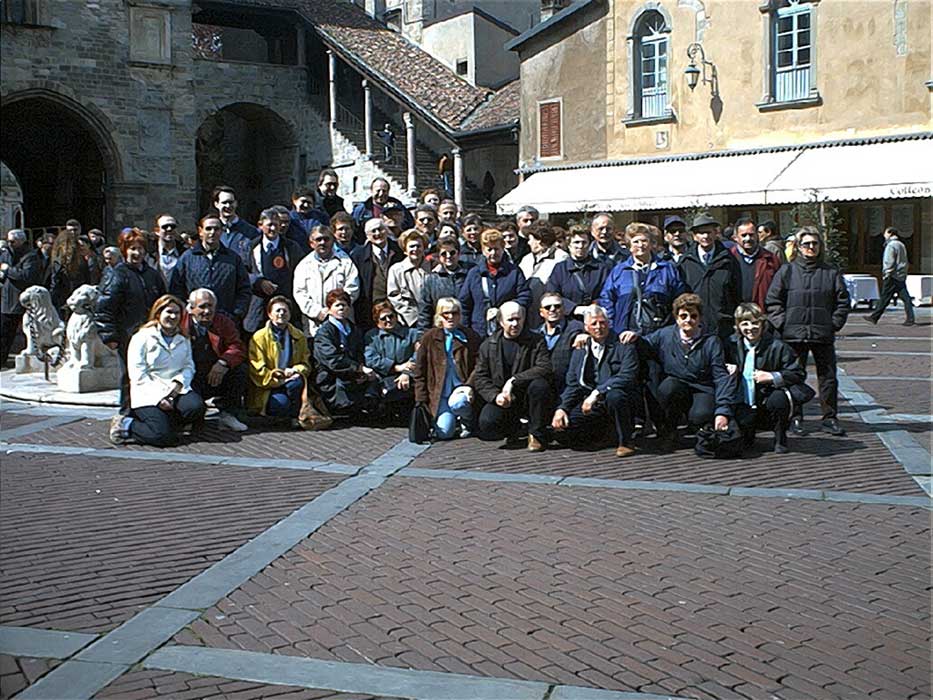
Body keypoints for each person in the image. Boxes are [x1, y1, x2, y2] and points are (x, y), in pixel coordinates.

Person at [766, 226, 850, 437]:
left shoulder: (830, 273)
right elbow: (773, 300)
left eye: (815, 243)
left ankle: (829, 418)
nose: (811, 247)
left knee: (828, 377)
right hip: (793, 333)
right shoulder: (787, 271)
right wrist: (783, 323)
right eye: (806, 244)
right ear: (799, 247)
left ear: (820, 246)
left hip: (822, 333)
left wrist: (834, 323)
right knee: (794, 377)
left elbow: (843, 301)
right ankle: (796, 417)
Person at [637, 293, 736, 450]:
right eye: (683, 316)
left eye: (693, 316)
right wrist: (632, 337)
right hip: (677, 385)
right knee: (667, 389)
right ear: (676, 318)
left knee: (700, 415)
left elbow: (721, 377)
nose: (688, 320)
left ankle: (699, 426)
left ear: (700, 318)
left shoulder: (712, 341)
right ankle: (669, 431)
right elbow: (644, 343)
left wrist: (722, 411)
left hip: (703, 387)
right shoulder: (665, 335)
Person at [109, 294, 205, 446]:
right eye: (169, 312)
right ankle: (127, 424)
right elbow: (138, 374)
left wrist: (174, 390)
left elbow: (188, 366)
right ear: (158, 313)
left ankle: (166, 422)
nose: (173, 316)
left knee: (196, 407)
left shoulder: (183, 338)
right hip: (148, 392)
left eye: (177, 313)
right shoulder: (142, 337)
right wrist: (161, 397)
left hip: (175, 389)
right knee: (162, 437)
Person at [551, 304, 640, 457]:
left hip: (616, 398)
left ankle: (625, 442)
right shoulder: (581, 349)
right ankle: (605, 434)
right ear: (586, 327)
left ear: (608, 323)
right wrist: (562, 408)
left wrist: (598, 392)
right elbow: (573, 384)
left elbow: (627, 376)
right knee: (564, 431)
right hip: (591, 403)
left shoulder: (623, 344)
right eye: (594, 323)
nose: (599, 327)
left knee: (615, 396)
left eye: (602, 322)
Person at [96, 228, 167, 414]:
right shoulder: (117, 274)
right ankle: (126, 413)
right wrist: (109, 335)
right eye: (132, 248)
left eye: (140, 249)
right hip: (127, 334)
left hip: (151, 333)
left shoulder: (152, 275)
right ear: (124, 250)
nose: (137, 253)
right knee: (129, 375)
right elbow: (104, 307)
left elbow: (162, 301)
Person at [472, 301, 555, 451]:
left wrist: (514, 380)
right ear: (501, 321)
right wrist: (495, 396)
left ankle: (536, 434)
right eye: (510, 320)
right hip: (504, 399)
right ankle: (514, 430)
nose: (515, 324)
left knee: (540, 385)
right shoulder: (489, 345)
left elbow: (545, 367)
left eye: (518, 319)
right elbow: (480, 377)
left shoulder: (536, 340)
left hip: (528, 396)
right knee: (487, 423)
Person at [726, 303, 807, 454]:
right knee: (743, 442)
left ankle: (780, 437)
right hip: (741, 398)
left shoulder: (778, 346)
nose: (750, 328)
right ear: (738, 326)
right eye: (745, 323)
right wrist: (728, 368)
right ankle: (747, 431)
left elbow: (798, 372)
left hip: (767, 396)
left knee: (779, 399)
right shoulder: (730, 344)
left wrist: (773, 376)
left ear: (762, 324)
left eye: (755, 323)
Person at [599, 223, 686, 336]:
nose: (640, 245)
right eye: (636, 241)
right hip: (625, 334)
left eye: (644, 241)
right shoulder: (619, 271)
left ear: (651, 244)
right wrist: (613, 326)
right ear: (629, 246)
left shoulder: (666, 269)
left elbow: (680, 299)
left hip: (660, 335)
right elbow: (607, 299)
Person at [413, 297, 482, 440]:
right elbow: (419, 370)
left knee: (457, 403)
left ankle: (467, 421)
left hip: (461, 388)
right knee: (444, 433)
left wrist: (469, 385)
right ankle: (451, 419)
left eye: (455, 313)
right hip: (440, 392)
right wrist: (421, 399)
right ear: (439, 315)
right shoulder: (429, 338)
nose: (450, 317)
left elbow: (479, 365)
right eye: (446, 313)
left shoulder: (470, 336)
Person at [183, 288, 248, 432]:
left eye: (210, 306)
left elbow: (237, 346)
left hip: (215, 374)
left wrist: (223, 362)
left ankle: (228, 415)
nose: (207, 311)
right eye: (202, 306)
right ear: (191, 308)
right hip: (189, 377)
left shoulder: (223, 321)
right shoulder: (181, 323)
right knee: (194, 410)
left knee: (240, 370)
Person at [169, 214, 251, 327]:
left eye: (216, 229)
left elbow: (244, 289)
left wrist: (236, 314)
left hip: (225, 322)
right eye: (208, 228)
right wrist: (186, 314)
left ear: (221, 231)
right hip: (194, 322)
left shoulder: (233, 258)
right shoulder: (187, 258)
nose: (212, 232)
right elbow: (176, 289)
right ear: (200, 231)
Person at [313, 289, 379, 416]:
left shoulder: (355, 330)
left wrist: (361, 372)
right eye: (337, 305)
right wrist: (358, 369)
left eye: (344, 305)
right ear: (329, 308)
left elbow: (361, 352)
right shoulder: (324, 333)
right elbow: (332, 360)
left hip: (354, 374)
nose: (341, 308)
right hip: (332, 377)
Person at [247, 296, 312, 423]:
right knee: (281, 405)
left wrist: (295, 370)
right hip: (268, 386)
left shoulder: (299, 336)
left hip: (292, 380)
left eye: (285, 311)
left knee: (297, 383)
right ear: (269, 314)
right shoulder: (259, 338)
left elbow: (306, 363)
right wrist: (280, 377)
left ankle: (295, 416)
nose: (281, 313)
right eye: (278, 311)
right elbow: (257, 370)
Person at [676, 214, 741, 339]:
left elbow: (737, 293)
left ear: (716, 233)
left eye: (709, 232)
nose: (706, 236)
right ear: (694, 236)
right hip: (695, 326)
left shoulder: (729, 260)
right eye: (701, 233)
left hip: (723, 326)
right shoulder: (685, 263)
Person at [243, 207, 305, 334]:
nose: (273, 229)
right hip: (258, 306)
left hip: (285, 306)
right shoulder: (249, 247)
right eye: (269, 225)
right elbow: (242, 272)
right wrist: (258, 281)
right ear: (260, 225)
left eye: (276, 225)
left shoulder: (291, 247)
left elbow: (302, 271)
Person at [459, 228, 530, 337]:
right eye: (489, 249)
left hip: (507, 332)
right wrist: (466, 331)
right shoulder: (474, 273)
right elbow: (464, 304)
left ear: (503, 248)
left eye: (496, 249)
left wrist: (503, 311)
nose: (493, 253)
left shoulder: (514, 272)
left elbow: (525, 297)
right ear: (483, 250)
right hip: (479, 332)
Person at [293, 224, 359, 337]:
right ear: (311, 243)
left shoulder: (345, 262)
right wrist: (318, 312)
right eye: (318, 239)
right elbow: (300, 293)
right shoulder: (303, 266)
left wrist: (336, 310)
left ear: (333, 241)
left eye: (326, 239)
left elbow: (352, 288)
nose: (323, 242)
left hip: (342, 321)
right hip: (314, 323)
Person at [364, 300, 420, 417]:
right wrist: (397, 367)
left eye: (391, 316)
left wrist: (406, 373)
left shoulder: (412, 333)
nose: (388, 320)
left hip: (407, 378)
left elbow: (419, 354)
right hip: (382, 378)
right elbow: (371, 359)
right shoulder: (371, 336)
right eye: (383, 318)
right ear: (377, 321)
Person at [546, 225, 611, 321]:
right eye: (576, 242)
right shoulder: (560, 269)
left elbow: (607, 293)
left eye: (584, 242)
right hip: (568, 320)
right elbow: (552, 294)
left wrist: (595, 305)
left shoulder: (601, 268)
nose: (580, 246)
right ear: (569, 245)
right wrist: (573, 308)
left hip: (595, 319)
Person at [350, 217, 403, 332]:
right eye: (373, 231)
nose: (377, 233)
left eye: (380, 229)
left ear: (386, 230)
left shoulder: (399, 250)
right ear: (367, 235)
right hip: (370, 310)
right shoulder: (358, 255)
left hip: (398, 307)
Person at [0, 229, 41, 366]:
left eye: (12, 241)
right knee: (4, 332)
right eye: (8, 241)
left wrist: (8, 270)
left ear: (21, 241)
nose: (9, 244)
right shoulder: (6, 254)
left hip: (21, 300)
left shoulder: (30, 256)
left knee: (26, 330)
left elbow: (26, 276)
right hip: (7, 298)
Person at [417, 235, 474, 332]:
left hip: (467, 328)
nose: (448, 256)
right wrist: (421, 335)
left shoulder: (470, 275)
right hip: (441, 330)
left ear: (458, 254)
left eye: (452, 253)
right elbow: (425, 311)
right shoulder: (431, 279)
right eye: (444, 254)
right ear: (439, 257)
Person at [534, 292, 584, 396]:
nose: (552, 309)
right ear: (541, 312)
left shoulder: (578, 329)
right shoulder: (535, 335)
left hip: (570, 389)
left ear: (564, 309)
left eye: (557, 306)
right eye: (547, 307)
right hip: (544, 391)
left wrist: (587, 336)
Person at [519, 221, 569, 322]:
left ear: (539, 240)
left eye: (530, 239)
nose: (528, 243)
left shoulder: (560, 258)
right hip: (528, 311)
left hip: (550, 310)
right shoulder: (526, 259)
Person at [865, 226, 915, 327]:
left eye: (886, 233)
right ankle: (910, 318)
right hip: (900, 275)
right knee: (905, 298)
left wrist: (887, 273)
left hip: (892, 275)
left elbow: (889, 261)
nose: (884, 235)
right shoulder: (901, 244)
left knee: (885, 296)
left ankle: (875, 316)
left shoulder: (891, 245)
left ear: (890, 233)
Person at [731, 217, 780, 308]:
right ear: (735, 238)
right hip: (736, 315)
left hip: (763, 314)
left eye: (751, 234)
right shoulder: (728, 259)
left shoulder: (770, 259)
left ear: (757, 235)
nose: (748, 238)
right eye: (743, 235)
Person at [387, 229, 430, 328]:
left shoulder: (433, 267)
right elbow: (394, 297)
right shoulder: (396, 270)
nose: (415, 249)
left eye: (418, 246)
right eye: (411, 246)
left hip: (433, 321)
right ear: (405, 250)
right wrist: (414, 318)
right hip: (408, 323)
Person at [48, 227, 91, 316]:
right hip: (78, 297)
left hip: (62, 298)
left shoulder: (59, 260)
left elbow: (55, 281)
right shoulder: (81, 259)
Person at [213, 185, 259, 265]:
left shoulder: (251, 232)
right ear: (216, 204)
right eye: (224, 202)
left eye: (231, 202)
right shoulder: (211, 231)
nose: (228, 206)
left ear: (236, 203)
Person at [287, 185, 331, 255]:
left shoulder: (321, 217)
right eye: (303, 201)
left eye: (309, 202)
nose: (306, 205)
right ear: (294, 201)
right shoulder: (288, 218)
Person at [153, 214, 183, 286]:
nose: (169, 229)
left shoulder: (184, 252)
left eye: (173, 226)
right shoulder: (148, 253)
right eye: (165, 227)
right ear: (157, 231)